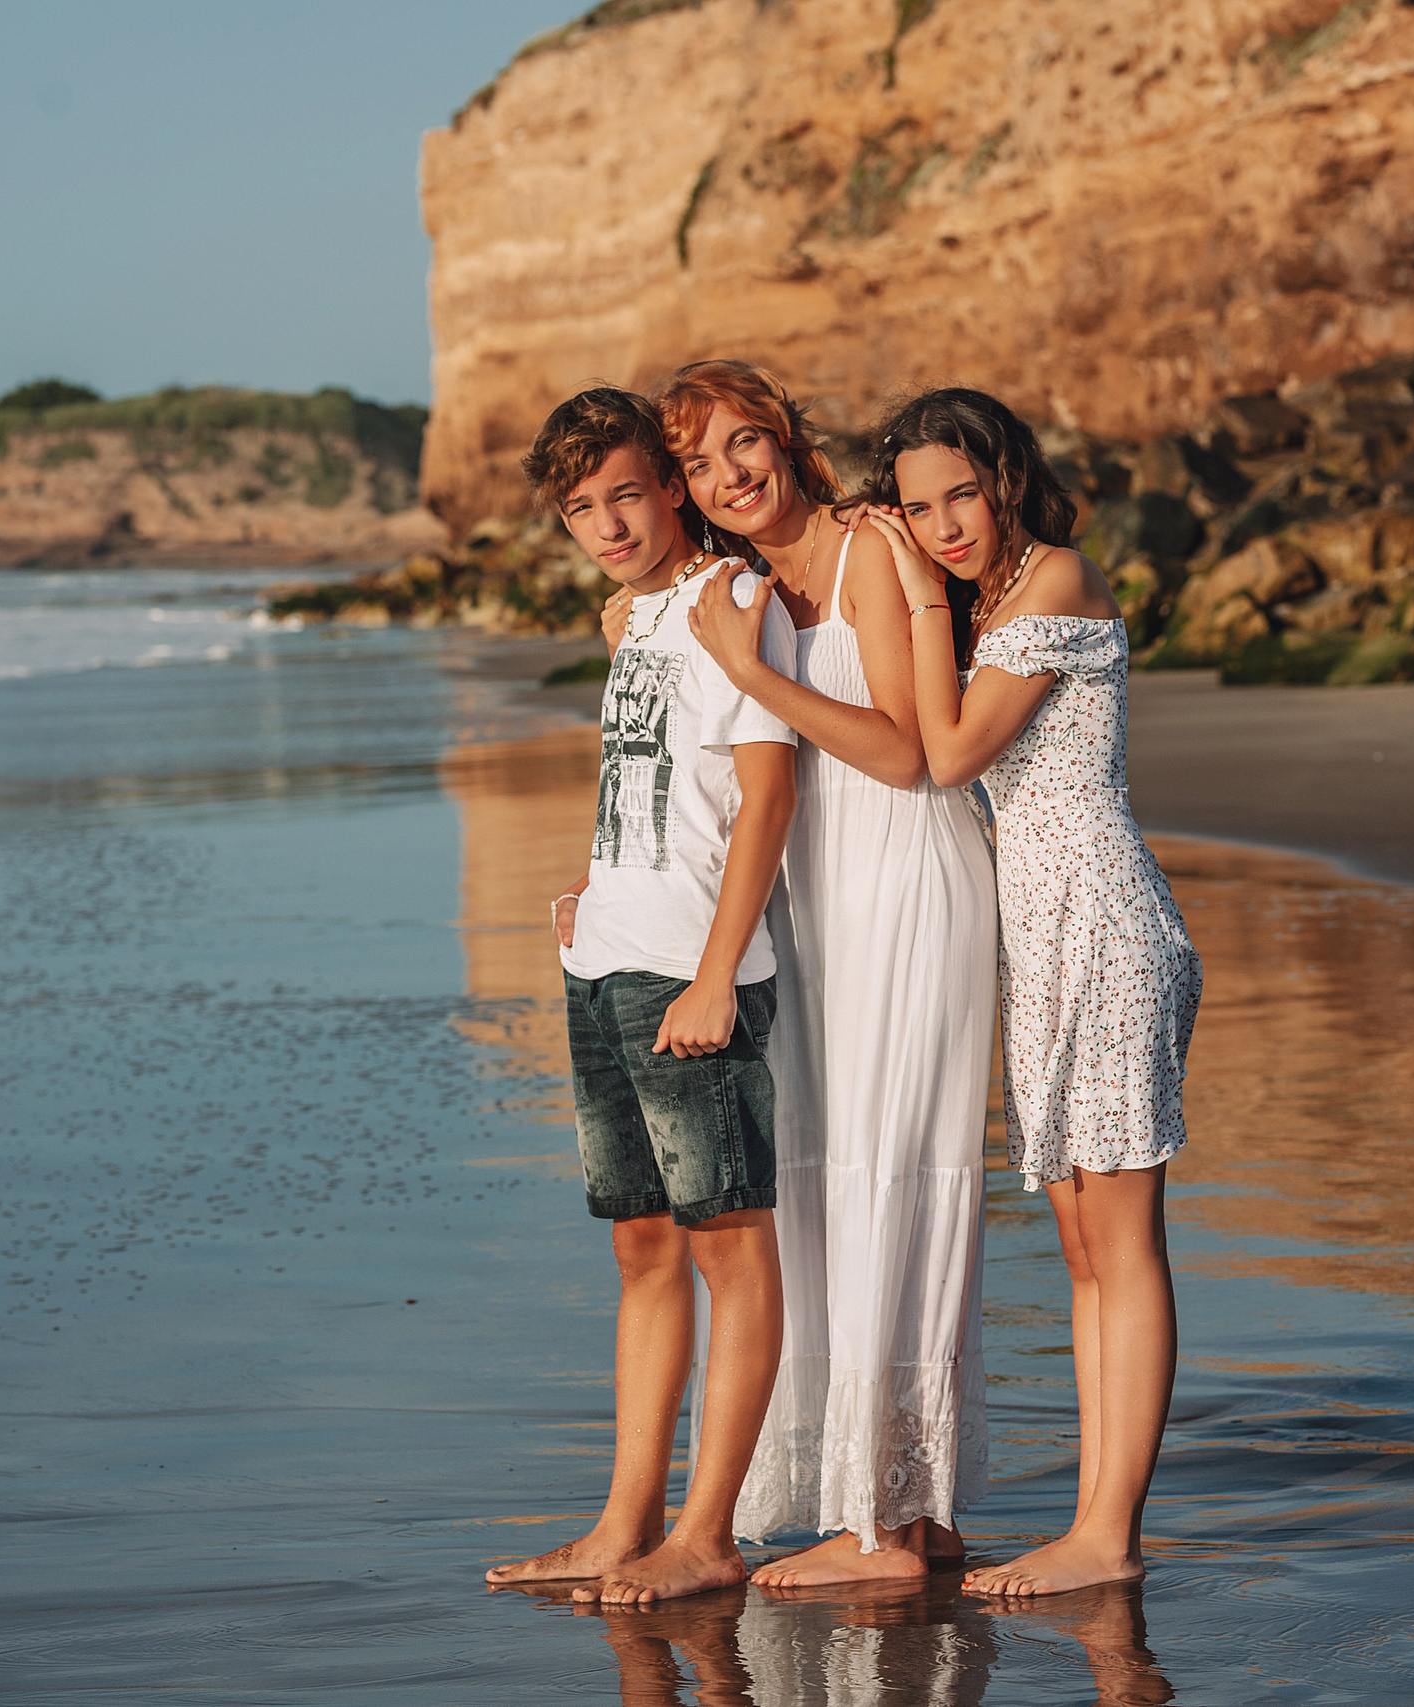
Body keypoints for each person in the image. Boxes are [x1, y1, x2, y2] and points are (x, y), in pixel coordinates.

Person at [857, 387, 1202, 1598]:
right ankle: (1093, 1523)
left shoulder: (1055, 578)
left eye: (959, 493)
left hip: (1103, 928)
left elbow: (947, 752)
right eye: (916, 509)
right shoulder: (992, 600)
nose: (944, 524)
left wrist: (907, 585)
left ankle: (1107, 1534)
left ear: (1004, 476)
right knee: (1080, 1246)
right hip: (1041, 943)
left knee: (1121, 1239)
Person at [659, 360, 998, 1584]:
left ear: (787, 437)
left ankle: (888, 1535)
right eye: (697, 463)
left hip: (906, 881)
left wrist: (760, 676)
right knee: (830, 1185)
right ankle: (912, 1510)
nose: (727, 475)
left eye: (743, 443)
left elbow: (908, 754)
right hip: (815, 905)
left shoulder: (868, 551)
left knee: (895, 1177)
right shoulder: (735, 586)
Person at [480, 386, 801, 1606]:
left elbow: (766, 794)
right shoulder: (635, 620)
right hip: (607, 954)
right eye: (581, 509)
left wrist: (719, 973)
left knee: (729, 1245)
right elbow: (659, 783)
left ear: (669, 486)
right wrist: (595, 879)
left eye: (625, 494)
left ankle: (708, 1534)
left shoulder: (729, 604)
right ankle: (625, 1523)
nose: (607, 524)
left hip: (690, 972)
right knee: (641, 1248)